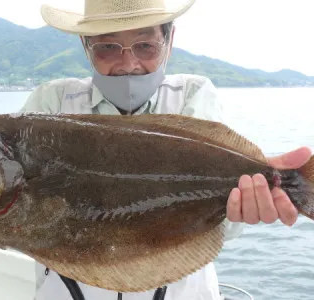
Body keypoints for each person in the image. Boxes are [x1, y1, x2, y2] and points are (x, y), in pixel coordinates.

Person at [19, 0, 313, 299]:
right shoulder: (52, 103)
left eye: (145, 46)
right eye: (107, 47)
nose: (128, 64)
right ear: (86, 47)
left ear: (169, 41)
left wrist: (252, 198)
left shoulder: (192, 95)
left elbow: (222, 224)